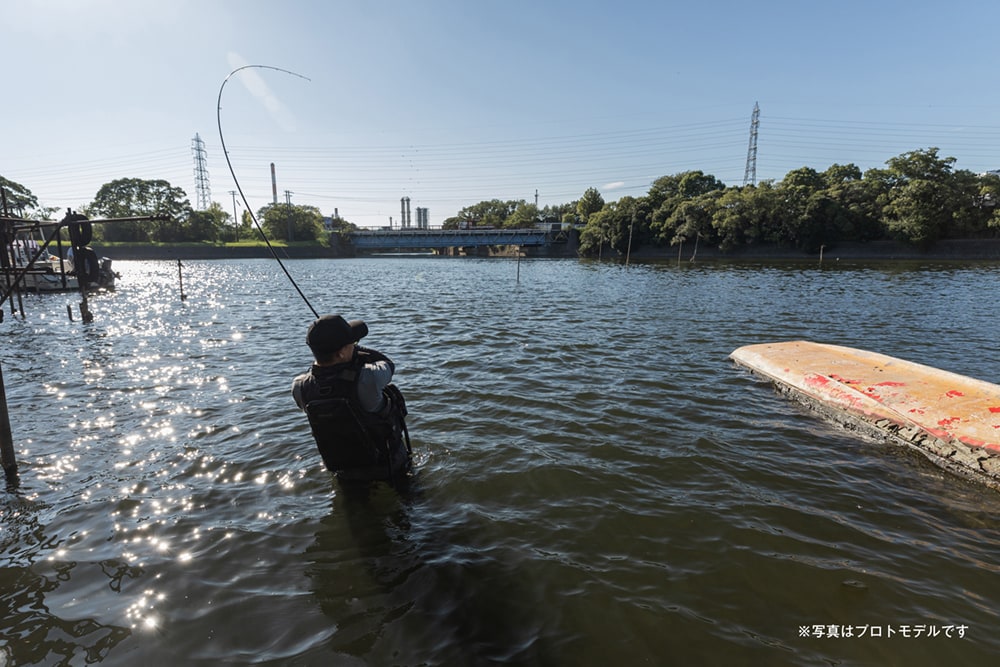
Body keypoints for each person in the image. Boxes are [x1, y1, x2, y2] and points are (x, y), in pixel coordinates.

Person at [292, 314, 411, 486]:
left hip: (344, 468)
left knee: (354, 507)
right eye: (352, 344)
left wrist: (345, 356)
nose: (355, 345)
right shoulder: (367, 378)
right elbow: (388, 365)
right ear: (341, 353)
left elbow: (327, 382)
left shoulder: (299, 387)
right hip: (388, 465)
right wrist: (361, 352)